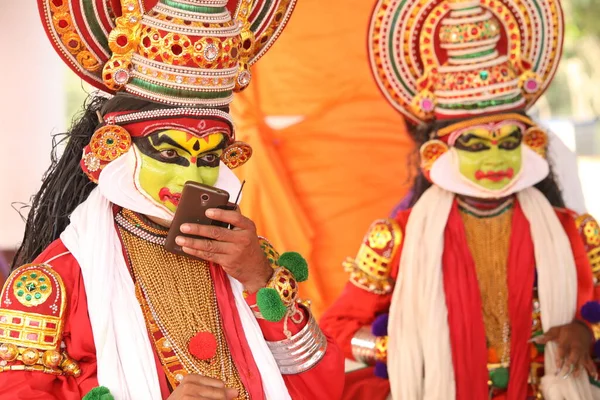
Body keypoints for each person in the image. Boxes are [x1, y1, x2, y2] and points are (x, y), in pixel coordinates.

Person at [0, 1, 344, 399]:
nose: (191, 178)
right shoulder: (52, 283)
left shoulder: (242, 256)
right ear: (114, 148)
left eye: (209, 158)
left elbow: (322, 388)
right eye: (169, 154)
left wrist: (259, 279)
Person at [321, 0, 600, 398]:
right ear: (436, 154)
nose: (494, 158)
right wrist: (398, 348)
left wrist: (587, 331)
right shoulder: (393, 240)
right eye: (474, 144)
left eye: (508, 141)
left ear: (532, 145)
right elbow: (337, 329)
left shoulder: (575, 232)